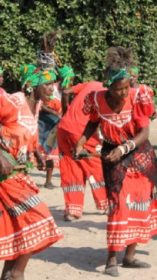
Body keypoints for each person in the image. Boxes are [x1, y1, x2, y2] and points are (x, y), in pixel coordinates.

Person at [75, 47, 157, 277]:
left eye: (126, 87)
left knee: (139, 202)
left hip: (139, 155)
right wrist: (80, 143)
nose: (123, 93)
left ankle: (129, 256)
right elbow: (92, 123)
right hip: (113, 157)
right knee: (118, 205)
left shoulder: (137, 97)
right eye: (118, 89)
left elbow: (144, 132)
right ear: (108, 87)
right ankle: (111, 259)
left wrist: (124, 148)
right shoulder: (97, 99)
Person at [0, 67, 63, 280]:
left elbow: (25, 137)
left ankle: (8, 275)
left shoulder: (36, 107)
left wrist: (38, 154)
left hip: (18, 173)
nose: (51, 88)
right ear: (31, 85)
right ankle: (17, 273)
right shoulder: (15, 101)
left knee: (19, 225)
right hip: (1, 174)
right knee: (37, 218)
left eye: (52, 83)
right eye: (46, 84)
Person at [57, 79, 108, 221]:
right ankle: (106, 203)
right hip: (81, 130)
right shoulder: (107, 94)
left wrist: (66, 114)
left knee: (71, 166)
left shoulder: (91, 84)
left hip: (64, 128)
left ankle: (72, 210)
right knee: (97, 163)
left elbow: (66, 92)